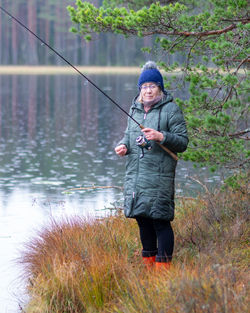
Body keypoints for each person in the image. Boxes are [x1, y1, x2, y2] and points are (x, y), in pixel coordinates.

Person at [115, 61, 189, 270]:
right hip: (136, 177)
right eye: (144, 86)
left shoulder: (171, 109)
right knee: (142, 219)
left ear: (160, 88)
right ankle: (148, 269)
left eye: (152, 86)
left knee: (160, 221)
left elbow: (182, 142)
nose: (148, 90)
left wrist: (161, 136)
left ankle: (163, 273)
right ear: (140, 89)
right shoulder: (135, 109)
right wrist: (123, 146)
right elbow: (129, 137)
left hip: (159, 177)